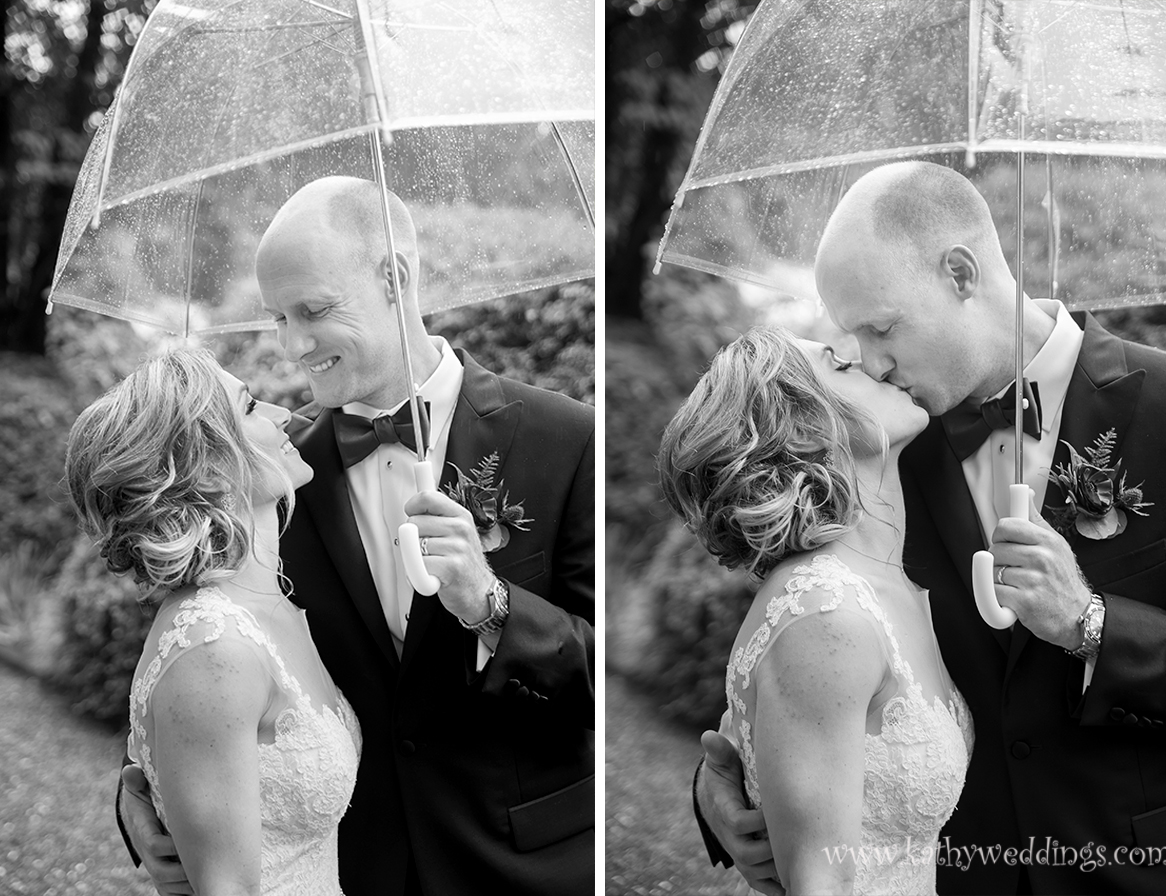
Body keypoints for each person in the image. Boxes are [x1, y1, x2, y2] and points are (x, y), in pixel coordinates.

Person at [695, 161, 1166, 894]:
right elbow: (800, 661)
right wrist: (721, 791)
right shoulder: (878, 443)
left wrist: (1091, 624)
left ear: (961, 274)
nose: (871, 362)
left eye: (881, 328)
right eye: (852, 338)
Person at [120, 176, 595, 895]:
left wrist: (492, 606)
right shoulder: (274, 473)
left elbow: (597, 685)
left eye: (313, 311)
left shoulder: (566, 439)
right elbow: (197, 657)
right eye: (278, 318)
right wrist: (142, 798)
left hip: (526, 869)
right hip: (354, 868)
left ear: (394, 278)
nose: (292, 345)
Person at [659, 325, 973, 894]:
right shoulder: (826, 615)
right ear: (806, 426)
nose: (869, 360)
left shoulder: (892, 586)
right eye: (840, 364)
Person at [66, 347, 361, 894]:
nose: (284, 413)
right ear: (206, 464)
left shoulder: (276, 604)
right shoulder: (213, 648)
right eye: (250, 406)